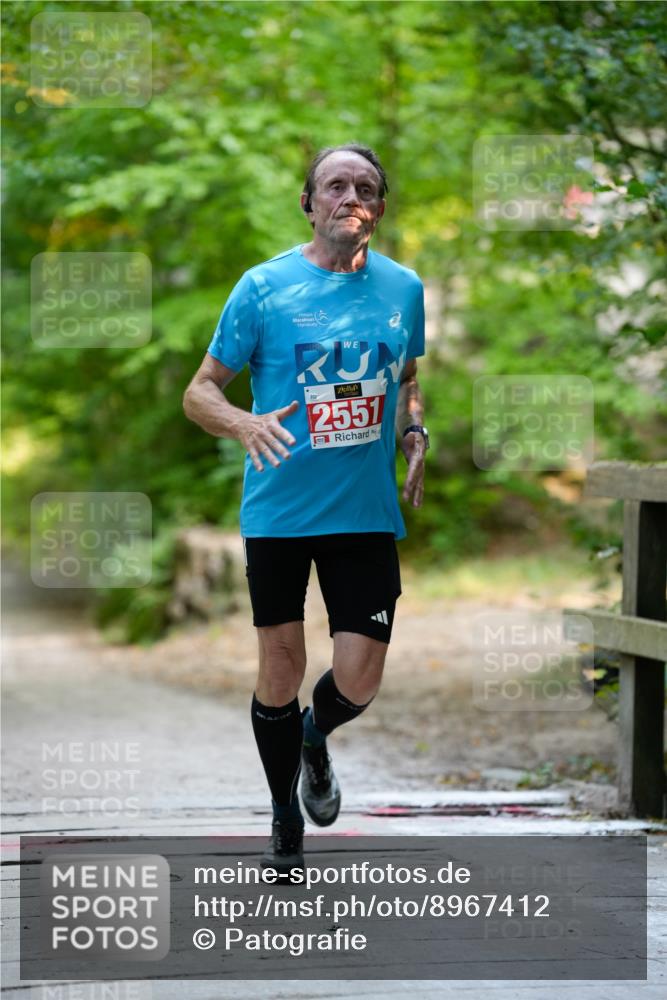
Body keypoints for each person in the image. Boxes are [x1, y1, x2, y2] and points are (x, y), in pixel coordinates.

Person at [183, 142, 427, 875]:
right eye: (333, 185)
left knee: (359, 678)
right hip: (280, 509)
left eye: (363, 187)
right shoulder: (262, 288)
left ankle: (315, 739)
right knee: (281, 667)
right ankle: (284, 812)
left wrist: (412, 426)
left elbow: (406, 372)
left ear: (378, 208)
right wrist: (245, 424)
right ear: (309, 202)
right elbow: (200, 391)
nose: (348, 196)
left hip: (364, 509)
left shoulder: (403, 288)